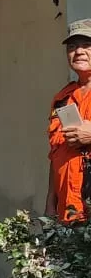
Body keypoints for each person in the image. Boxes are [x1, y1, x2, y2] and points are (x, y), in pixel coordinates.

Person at [47, 19, 91, 224]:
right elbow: (56, 154)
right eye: (72, 47)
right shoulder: (62, 98)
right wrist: (50, 205)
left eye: (87, 45)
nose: (79, 51)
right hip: (69, 212)